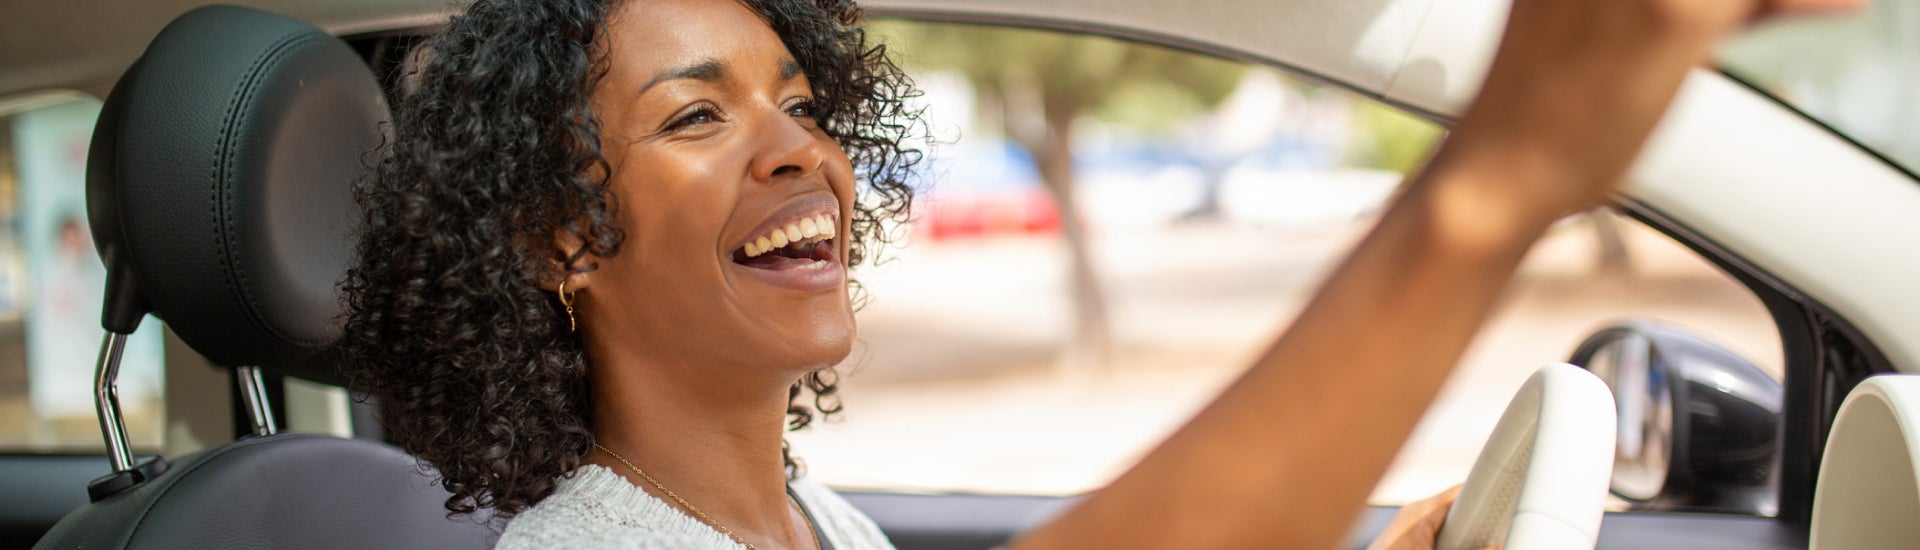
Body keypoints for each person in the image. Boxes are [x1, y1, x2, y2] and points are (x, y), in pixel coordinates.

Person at [339, 0, 1862, 548]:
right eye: (695, 113)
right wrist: (1493, 184)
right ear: (562, 242)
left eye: (803, 100)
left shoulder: (807, 524)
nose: (798, 147)